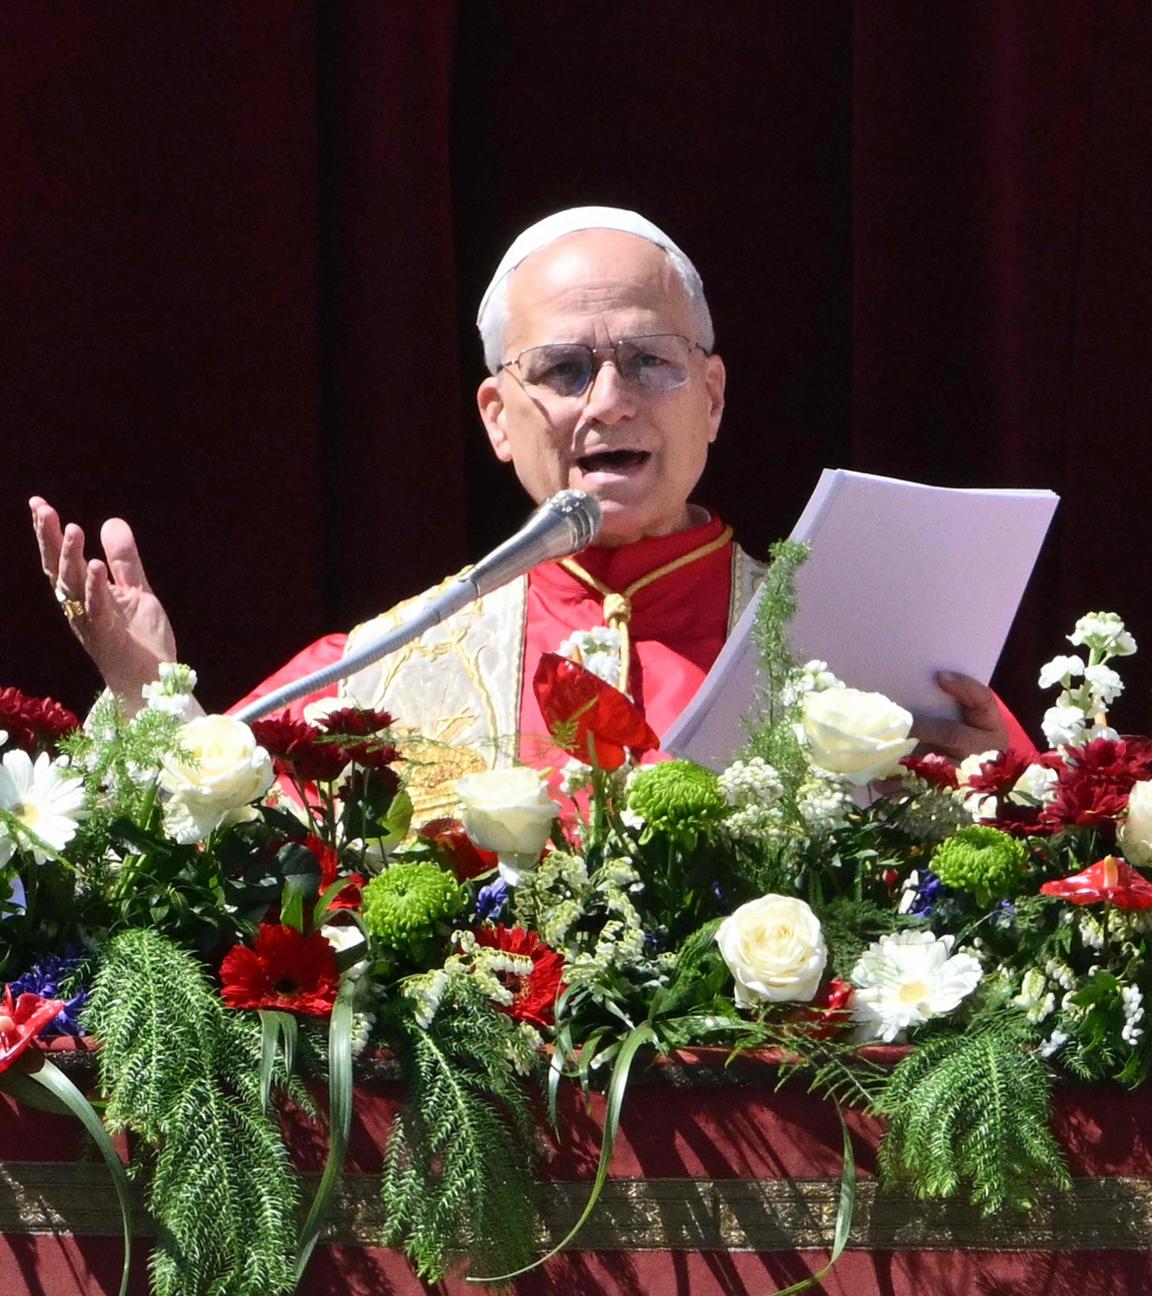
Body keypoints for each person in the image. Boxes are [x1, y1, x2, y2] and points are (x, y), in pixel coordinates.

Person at [30, 207, 1027, 808]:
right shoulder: (399, 661)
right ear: (499, 419)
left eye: (649, 361)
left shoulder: (850, 647)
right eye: (561, 369)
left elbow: (1040, 866)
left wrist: (993, 783)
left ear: (714, 397)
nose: (608, 400)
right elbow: (217, 831)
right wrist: (148, 699)